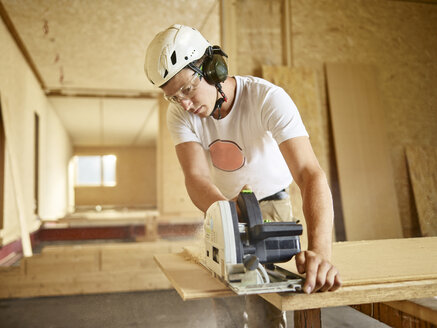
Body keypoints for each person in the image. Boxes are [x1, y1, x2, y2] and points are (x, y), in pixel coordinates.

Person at [144, 24, 341, 328]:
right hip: (222, 205)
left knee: (264, 301)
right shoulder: (180, 113)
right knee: (224, 297)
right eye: (173, 96)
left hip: (272, 203)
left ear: (213, 69)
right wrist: (225, 214)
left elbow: (309, 173)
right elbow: (195, 177)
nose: (184, 103)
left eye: (187, 89)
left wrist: (321, 252)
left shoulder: (267, 98)